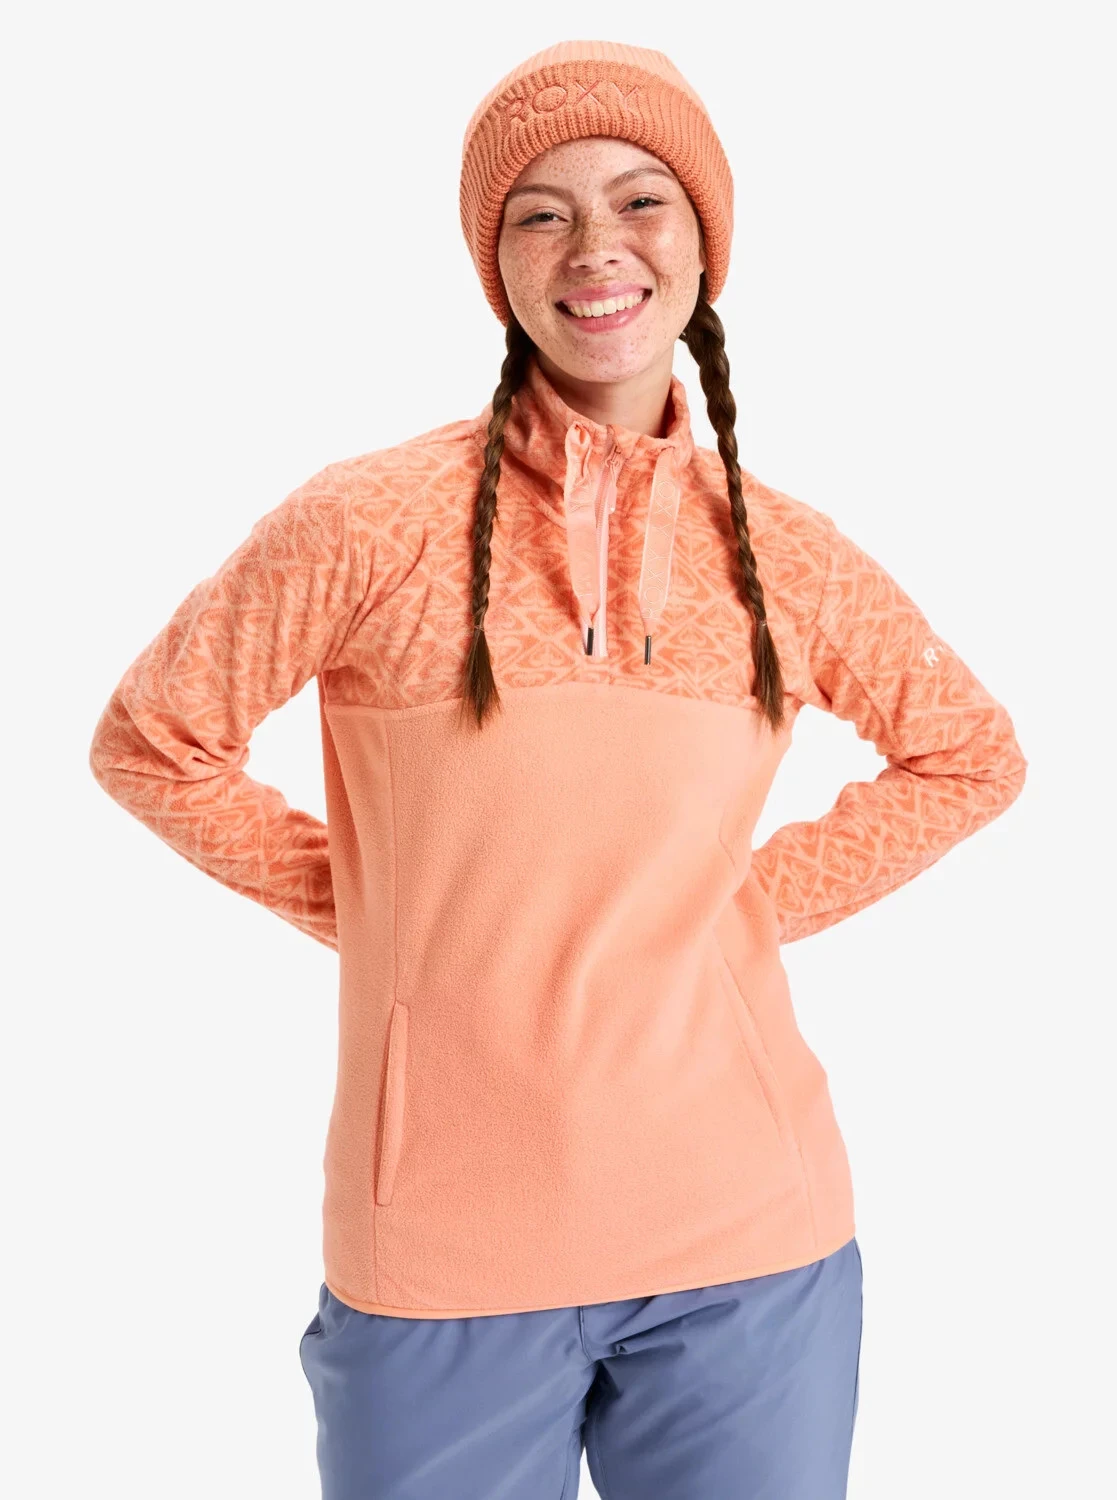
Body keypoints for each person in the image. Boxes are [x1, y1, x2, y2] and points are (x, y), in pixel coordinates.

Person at [88, 39, 1028, 1500]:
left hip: (752, 1243)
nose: (598, 247)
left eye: (641, 199)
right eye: (543, 212)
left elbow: (969, 755)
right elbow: (153, 742)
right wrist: (392, 909)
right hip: (440, 1254)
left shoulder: (782, 552)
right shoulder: (369, 523)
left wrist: (730, 910)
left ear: (704, 239)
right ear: (498, 263)